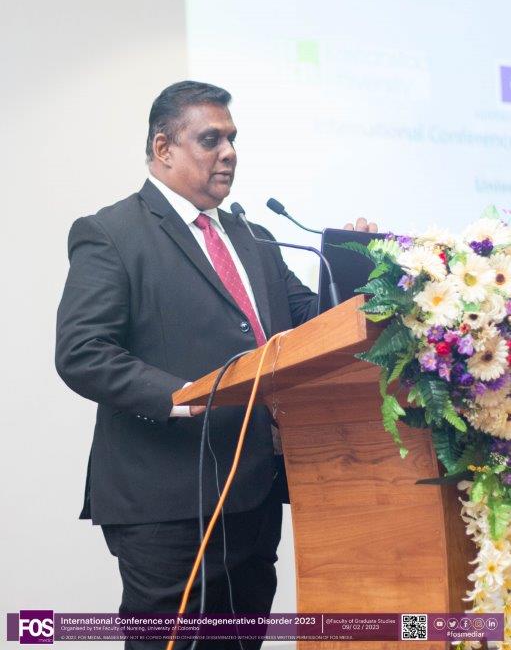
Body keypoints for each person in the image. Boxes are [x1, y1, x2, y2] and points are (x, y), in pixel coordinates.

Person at [55, 80, 377, 649]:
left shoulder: (252, 236)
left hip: (252, 493)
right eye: (211, 139)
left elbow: (309, 323)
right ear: (163, 148)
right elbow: (82, 351)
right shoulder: (112, 233)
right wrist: (182, 394)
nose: (228, 152)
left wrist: (357, 270)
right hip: (165, 500)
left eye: (232, 139)